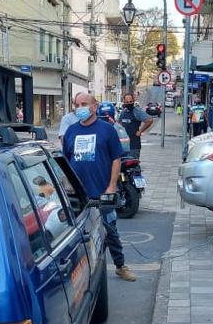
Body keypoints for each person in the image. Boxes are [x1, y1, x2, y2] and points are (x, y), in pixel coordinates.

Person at [62, 92, 137, 282]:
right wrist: (66, 186)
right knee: (77, 235)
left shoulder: (107, 130)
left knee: (110, 231)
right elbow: (66, 162)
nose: (80, 108)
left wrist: (111, 186)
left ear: (94, 107)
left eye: (84, 104)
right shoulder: (71, 131)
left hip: (102, 193)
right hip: (78, 196)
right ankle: (79, 274)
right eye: (77, 104)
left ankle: (120, 266)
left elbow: (116, 159)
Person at [118, 92, 154, 158]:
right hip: (123, 146)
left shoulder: (137, 111)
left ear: (133, 101)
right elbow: (119, 125)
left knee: (133, 163)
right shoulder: (123, 112)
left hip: (134, 147)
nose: (129, 103)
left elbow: (149, 120)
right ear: (124, 102)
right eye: (127, 102)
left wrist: (140, 131)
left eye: (130, 101)